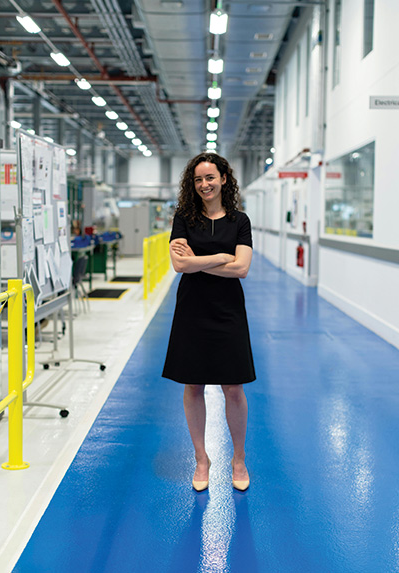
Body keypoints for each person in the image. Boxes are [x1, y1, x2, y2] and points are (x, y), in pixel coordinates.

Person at [162, 152, 256, 492]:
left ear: (224, 180)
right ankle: (202, 458)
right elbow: (179, 266)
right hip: (192, 309)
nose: (204, 184)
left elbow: (242, 268)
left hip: (228, 310)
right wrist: (219, 257)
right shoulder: (183, 219)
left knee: (233, 386)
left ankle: (239, 458)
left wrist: (197, 261)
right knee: (193, 385)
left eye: (210, 178)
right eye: (199, 179)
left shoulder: (239, 221)